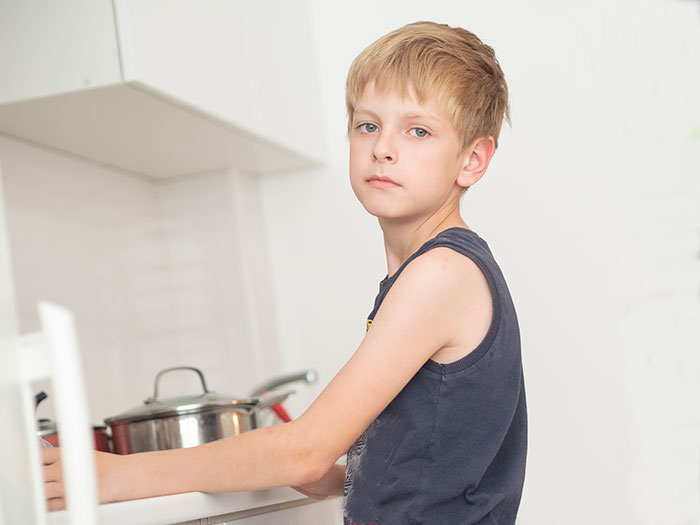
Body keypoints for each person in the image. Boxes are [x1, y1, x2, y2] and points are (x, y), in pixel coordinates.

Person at [43, 21, 527, 524]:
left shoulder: (442, 273)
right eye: (367, 125)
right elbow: (447, 467)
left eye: (418, 130)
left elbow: (302, 450)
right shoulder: (435, 273)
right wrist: (344, 476)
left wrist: (119, 474)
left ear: (472, 160)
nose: (383, 147)